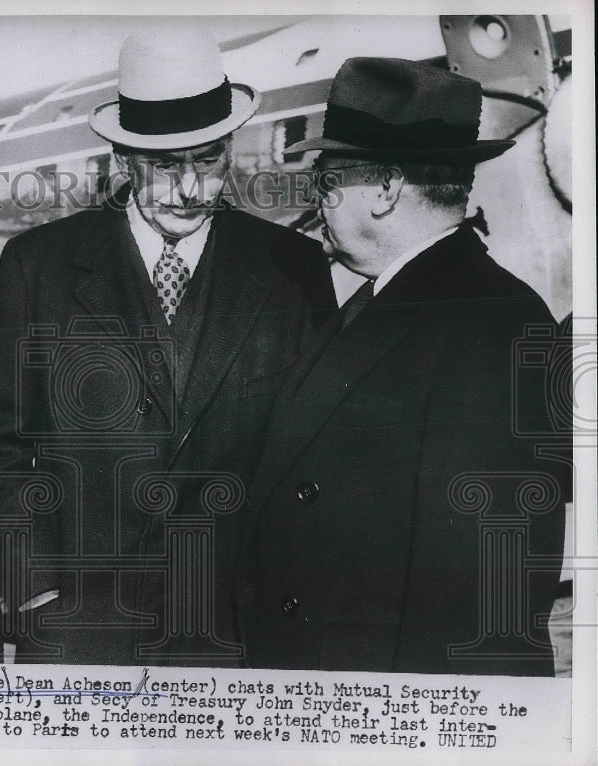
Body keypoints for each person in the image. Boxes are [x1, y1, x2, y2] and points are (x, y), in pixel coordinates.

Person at [0, 31, 335, 665]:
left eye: (209, 159)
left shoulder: (294, 269)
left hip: (236, 637)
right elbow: (3, 448)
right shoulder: (38, 266)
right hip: (77, 634)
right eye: (167, 165)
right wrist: (31, 590)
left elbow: (312, 460)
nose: (191, 188)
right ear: (123, 157)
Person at [236, 57, 568, 675]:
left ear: (386, 190)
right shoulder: (391, 300)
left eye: (328, 182)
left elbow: (477, 598)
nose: (318, 202)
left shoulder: (491, 323)